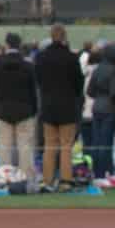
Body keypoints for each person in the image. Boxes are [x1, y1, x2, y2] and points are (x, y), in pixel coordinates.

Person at [35, 25, 84, 191]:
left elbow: (39, 80)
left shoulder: (41, 57)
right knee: (66, 146)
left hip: (48, 106)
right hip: (68, 107)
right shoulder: (71, 58)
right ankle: (65, 180)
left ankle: (47, 181)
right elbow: (79, 84)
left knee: (49, 146)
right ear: (64, 37)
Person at [0, 36, 37, 186]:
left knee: (4, 146)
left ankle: (4, 177)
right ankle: (26, 178)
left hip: (3, 110)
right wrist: (33, 109)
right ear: (20, 45)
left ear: (6, 45)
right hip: (25, 110)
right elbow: (33, 91)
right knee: (25, 146)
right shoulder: (28, 66)